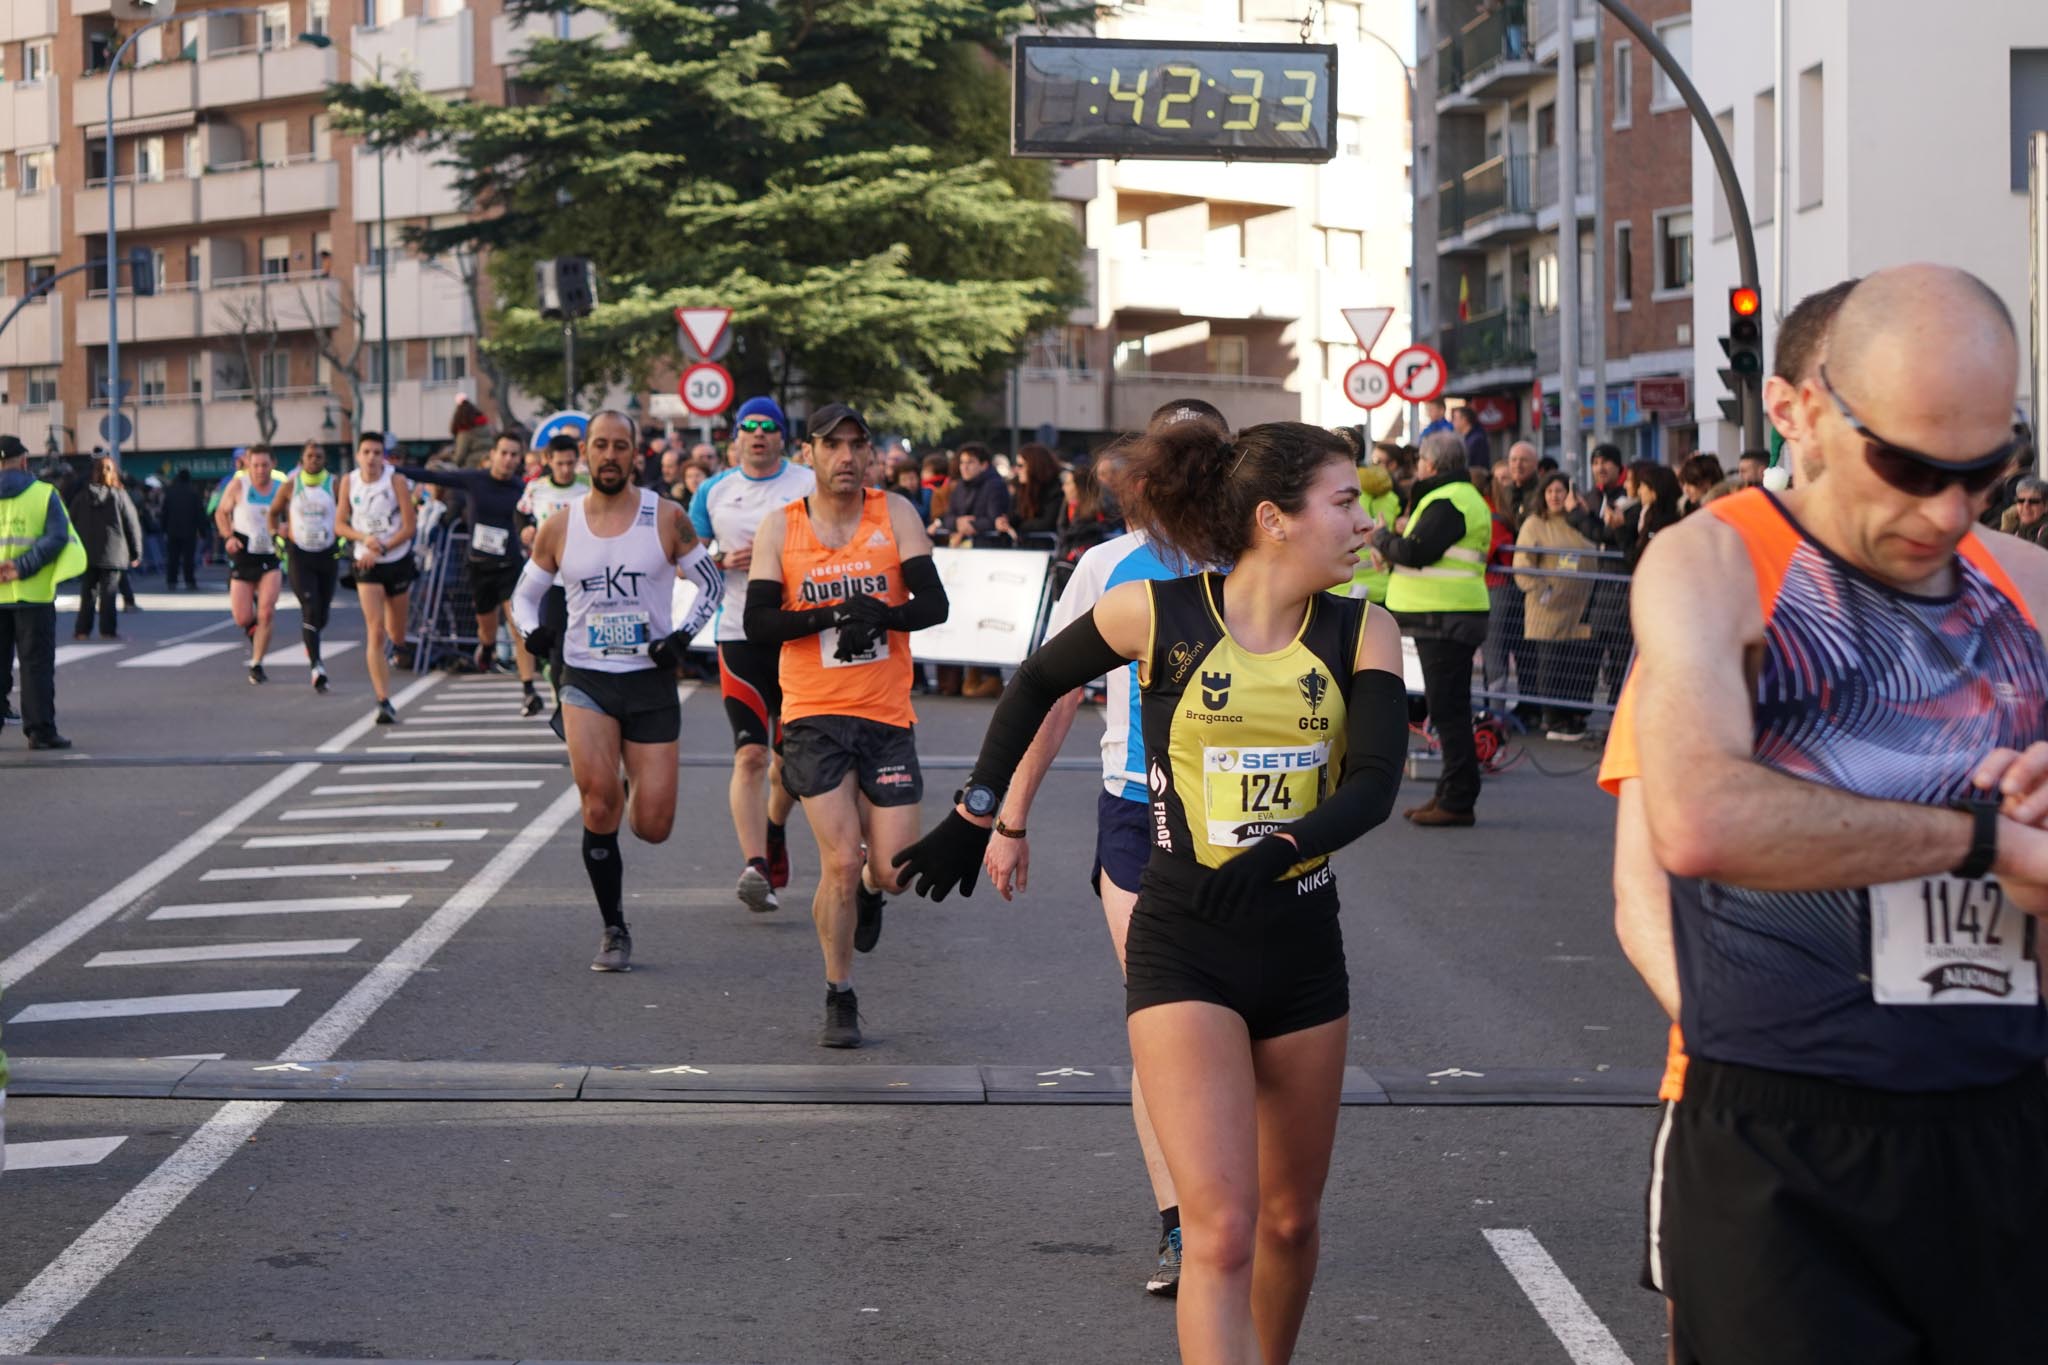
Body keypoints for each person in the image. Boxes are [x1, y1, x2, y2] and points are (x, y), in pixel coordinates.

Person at [893, 419, 1407, 1363]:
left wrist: (1277, 851)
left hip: (1299, 946)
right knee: (1219, 1230)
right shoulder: (1157, 614)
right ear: (1275, 518)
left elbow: (1375, 783)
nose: (1366, 520)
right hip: (1185, 940)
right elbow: (1035, 681)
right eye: (1346, 501)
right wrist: (978, 816)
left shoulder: (1364, 627)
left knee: (1290, 1224)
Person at [1625, 264, 2048, 1365]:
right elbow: (1699, 819)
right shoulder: (1713, 562)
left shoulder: (2027, 586)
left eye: (1986, 471)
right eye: (1906, 467)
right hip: (1784, 1135)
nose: (1946, 510)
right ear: (1810, 410)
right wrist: (1978, 838)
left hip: (2004, 1115)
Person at [977, 398, 1227, 1299]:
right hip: (1136, 811)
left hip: (1248, 826)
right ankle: (1179, 1227)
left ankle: (1233, 1205)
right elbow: (1050, 692)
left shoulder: (1266, 556)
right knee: (1163, 1025)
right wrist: (1010, 817)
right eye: (1177, 454)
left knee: (1240, 1027)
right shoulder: (1109, 567)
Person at [743, 403, 949, 1048]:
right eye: (833, 445)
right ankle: (841, 994)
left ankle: (872, 888)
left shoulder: (897, 514)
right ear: (809, 453)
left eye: (858, 445)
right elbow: (758, 623)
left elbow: (934, 606)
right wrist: (830, 616)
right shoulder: (781, 527)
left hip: (886, 715)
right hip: (814, 714)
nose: (847, 458)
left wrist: (880, 614)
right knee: (838, 862)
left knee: (890, 870)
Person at [513, 411, 722, 972]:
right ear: (584, 453)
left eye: (620, 447)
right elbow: (524, 597)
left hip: (649, 680)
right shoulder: (560, 524)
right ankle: (613, 928)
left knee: (652, 826)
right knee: (599, 801)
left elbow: (712, 583)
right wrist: (536, 635)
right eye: (600, 446)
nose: (609, 455)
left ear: (636, 455)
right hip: (585, 678)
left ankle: (628, 774)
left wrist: (681, 638)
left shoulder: (666, 518)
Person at [690, 395, 816, 914]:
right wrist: (721, 559)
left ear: (782, 437)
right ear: (736, 437)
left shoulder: (807, 485)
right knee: (749, 754)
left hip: (796, 634)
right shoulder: (713, 491)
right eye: (750, 427)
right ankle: (755, 865)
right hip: (739, 632)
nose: (759, 434)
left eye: (768, 427)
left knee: (788, 765)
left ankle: (774, 828)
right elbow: (688, 559)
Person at [1371, 431, 1492, 826]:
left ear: (1432, 463)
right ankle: (1449, 792)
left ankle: (1457, 799)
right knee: (1448, 709)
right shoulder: (1454, 497)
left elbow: (1418, 551)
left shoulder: (1450, 500)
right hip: (1443, 616)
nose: (1418, 465)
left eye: (1422, 459)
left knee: (1449, 711)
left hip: (1446, 617)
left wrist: (1383, 537)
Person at [402, 432, 546, 713]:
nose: (508, 460)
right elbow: (436, 477)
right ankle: (488, 648)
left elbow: (537, 513)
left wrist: (529, 529)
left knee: (518, 628)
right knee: (486, 629)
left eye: (514, 455)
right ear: (492, 454)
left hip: (510, 568)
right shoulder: (474, 479)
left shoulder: (521, 489)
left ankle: (529, 690)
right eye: (504, 453)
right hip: (479, 567)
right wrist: (393, 468)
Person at [0, 433, 83, 748]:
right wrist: (21, 566)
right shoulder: (43, 494)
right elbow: (57, 538)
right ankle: (40, 731)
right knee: (35, 666)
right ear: (23, 461)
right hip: (33, 594)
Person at [335, 432, 418, 725]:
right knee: (375, 630)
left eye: (376, 452)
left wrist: (383, 546)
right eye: (366, 452)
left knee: (396, 633)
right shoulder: (349, 481)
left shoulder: (395, 482)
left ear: (384, 456)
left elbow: (409, 527)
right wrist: (364, 539)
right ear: (358, 455)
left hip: (396, 559)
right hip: (366, 562)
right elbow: (339, 524)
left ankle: (401, 647)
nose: (371, 458)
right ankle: (383, 699)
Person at [1513, 473, 1597, 738]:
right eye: (1550, 491)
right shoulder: (1535, 524)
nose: (1555, 496)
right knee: (1550, 666)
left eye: (1560, 491)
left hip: (1579, 610)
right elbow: (1522, 563)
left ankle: (1572, 717)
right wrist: (1542, 591)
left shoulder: (1579, 522)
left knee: (1574, 667)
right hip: (1546, 610)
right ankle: (1553, 719)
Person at [517, 434, 592, 695]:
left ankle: (569, 690)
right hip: (550, 576)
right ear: (548, 460)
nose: (565, 469)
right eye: (560, 463)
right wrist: (525, 530)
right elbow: (521, 513)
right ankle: (557, 679)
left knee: (575, 639)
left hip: (582, 575)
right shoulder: (537, 488)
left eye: (570, 463)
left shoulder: (588, 486)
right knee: (553, 636)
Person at [267, 440, 343, 692]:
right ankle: (317, 667)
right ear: (302, 460)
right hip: (299, 555)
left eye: (319, 456)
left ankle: (311, 640)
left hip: (327, 554)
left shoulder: (334, 484)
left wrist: (344, 539)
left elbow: (348, 513)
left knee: (322, 614)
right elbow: (273, 512)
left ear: (324, 460)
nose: (314, 460)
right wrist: (277, 532)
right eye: (310, 456)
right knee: (310, 608)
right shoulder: (291, 485)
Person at [212, 445, 284, 682]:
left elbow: (294, 515)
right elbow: (221, 513)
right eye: (256, 465)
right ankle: (255, 631)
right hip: (243, 554)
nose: (260, 470)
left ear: (273, 464)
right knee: (242, 617)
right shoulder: (238, 486)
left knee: (266, 611)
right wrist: (228, 537)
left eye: (265, 465)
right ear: (248, 465)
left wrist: (286, 528)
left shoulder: (280, 488)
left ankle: (257, 663)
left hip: (270, 556)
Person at [68, 456, 142, 643]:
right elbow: (131, 525)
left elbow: (70, 522)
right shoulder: (119, 496)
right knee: (109, 594)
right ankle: (107, 631)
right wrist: (136, 552)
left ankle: (82, 631)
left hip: (87, 552)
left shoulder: (82, 496)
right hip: (113, 552)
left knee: (88, 593)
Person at [937, 442, 1009, 546]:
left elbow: (996, 520)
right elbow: (948, 516)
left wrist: (971, 525)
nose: (964, 467)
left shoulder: (995, 486)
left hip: (989, 548)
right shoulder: (960, 486)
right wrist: (957, 522)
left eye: (970, 462)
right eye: (962, 462)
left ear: (984, 465)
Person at [998, 442, 1061, 543]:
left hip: (1045, 548)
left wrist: (1018, 527)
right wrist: (1005, 522)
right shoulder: (1021, 488)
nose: (1017, 470)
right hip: (1024, 547)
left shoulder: (1055, 489)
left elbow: (1047, 523)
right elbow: (1016, 513)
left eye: (1021, 465)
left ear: (1035, 466)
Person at [1054, 460, 1113, 565]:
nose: (1063, 488)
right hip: (1066, 561)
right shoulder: (1067, 507)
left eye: (1067, 484)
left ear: (1079, 487)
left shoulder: (1096, 513)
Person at [160, 469, 203, 590]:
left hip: (172, 530)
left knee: (172, 557)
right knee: (188, 558)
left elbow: (164, 512)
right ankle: (190, 580)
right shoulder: (193, 493)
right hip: (189, 531)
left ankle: (171, 580)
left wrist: (163, 528)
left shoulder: (170, 493)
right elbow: (199, 513)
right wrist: (203, 530)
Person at [1449, 402, 1492, 470]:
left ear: (1464, 420)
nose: (1452, 421)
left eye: (1454, 418)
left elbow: (1478, 467)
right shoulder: (1468, 438)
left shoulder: (1477, 440)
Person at [2008, 476, 2048, 547]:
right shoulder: (2019, 529)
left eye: (2033, 501)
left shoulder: (2045, 533)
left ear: (2046, 506)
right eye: (2021, 500)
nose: (2026, 506)